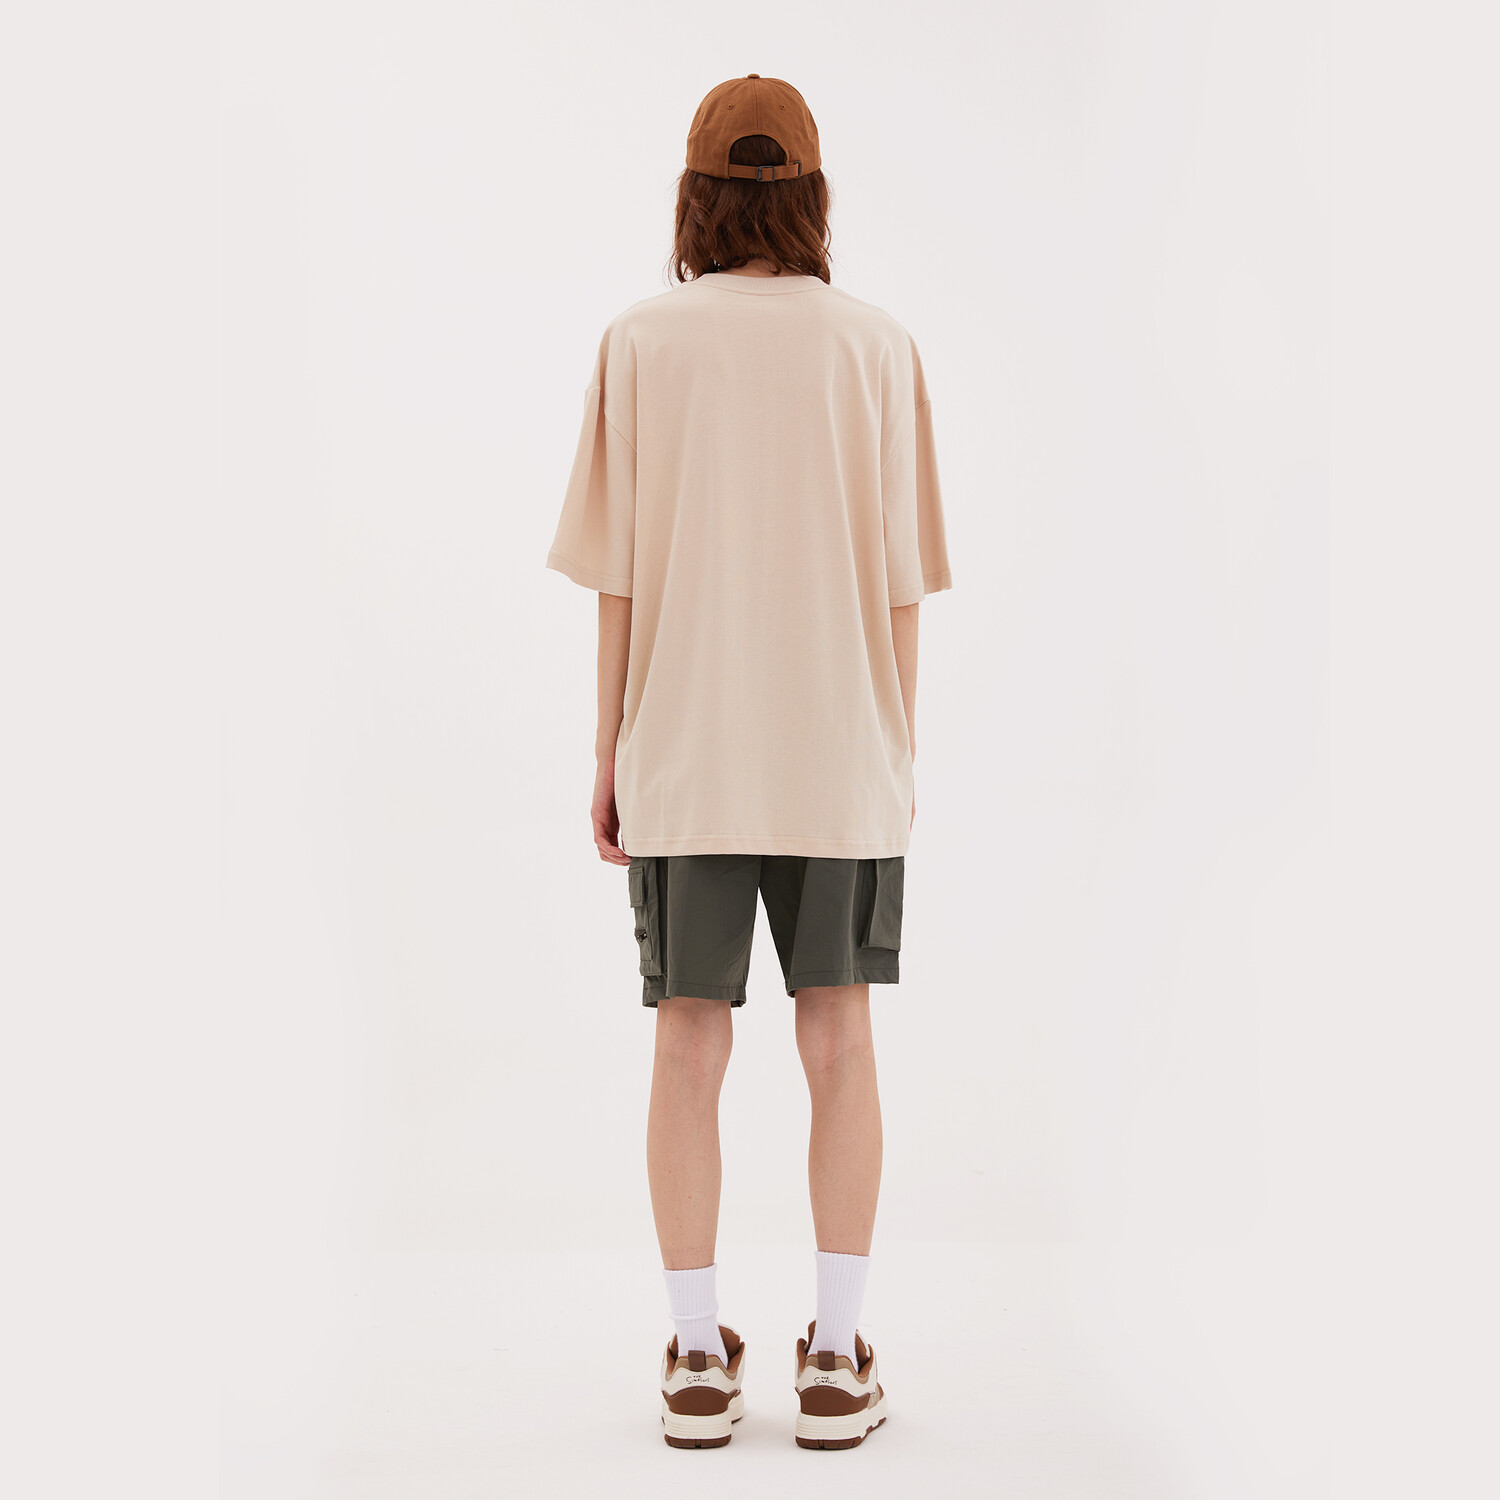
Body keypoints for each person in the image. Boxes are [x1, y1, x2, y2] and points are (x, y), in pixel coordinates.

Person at [546, 73, 951, 1450]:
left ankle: (693, 1356)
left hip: (687, 751)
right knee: (841, 1040)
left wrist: (610, 750)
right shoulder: (878, 347)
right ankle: (835, 1358)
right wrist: (893, 752)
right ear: (812, 194)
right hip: (839, 754)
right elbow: (902, 588)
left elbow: (617, 582)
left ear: (697, 195)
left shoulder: (640, 344)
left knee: (686, 1044)